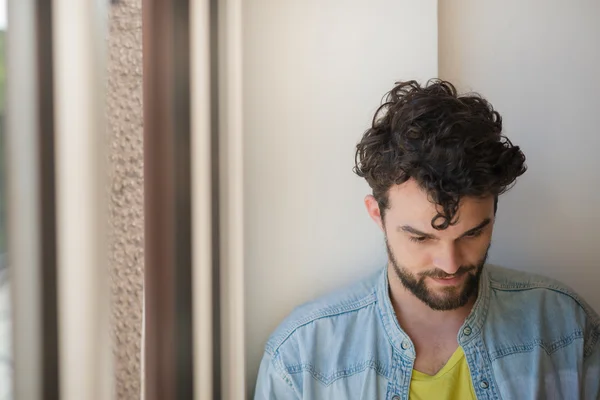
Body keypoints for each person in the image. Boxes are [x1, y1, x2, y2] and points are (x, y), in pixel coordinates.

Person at [254, 80, 600, 400]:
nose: (449, 263)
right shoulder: (301, 357)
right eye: (420, 238)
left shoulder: (565, 327)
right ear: (377, 215)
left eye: (472, 233)